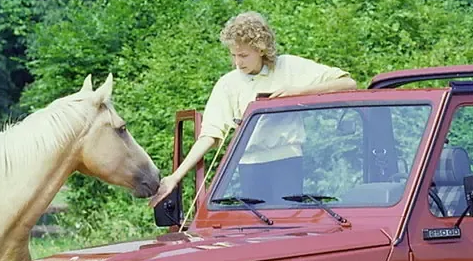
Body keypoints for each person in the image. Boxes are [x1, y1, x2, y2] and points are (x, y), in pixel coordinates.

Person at [149, 12, 357, 207]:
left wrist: (298, 92)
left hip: (289, 160)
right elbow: (209, 135)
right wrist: (176, 176)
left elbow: (348, 83)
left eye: (243, 55)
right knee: (257, 226)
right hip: (249, 165)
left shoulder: (288, 67)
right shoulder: (228, 84)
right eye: (233, 55)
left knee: (288, 223)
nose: (237, 63)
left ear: (261, 49)